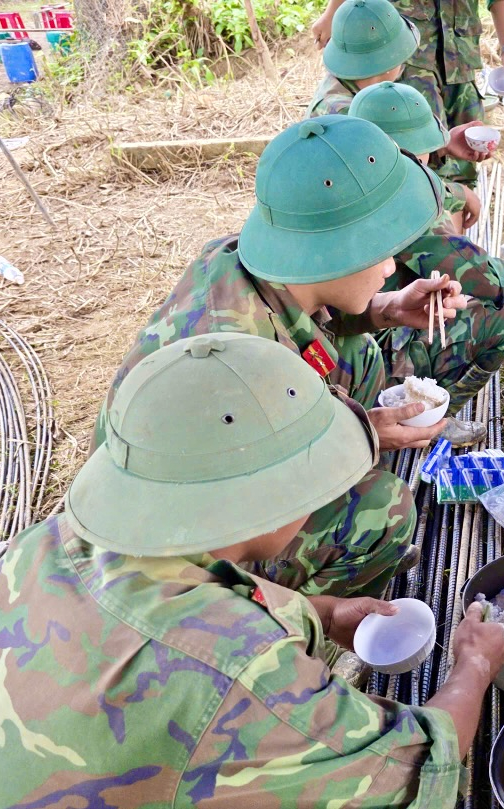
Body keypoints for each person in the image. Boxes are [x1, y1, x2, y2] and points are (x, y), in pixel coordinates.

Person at [0, 332, 504, 809]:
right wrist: (472, 665)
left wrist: (320, 613)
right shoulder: (228, 670)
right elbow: (414, 773)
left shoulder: (53, 542)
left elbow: (196, 595)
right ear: (264, 501)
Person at [99, 115, 466, 599]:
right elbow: (221, 509)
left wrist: (387, 308)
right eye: (375, 250)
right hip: (171, 551)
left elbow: (303, 317)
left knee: (358, 357)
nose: (390, 266)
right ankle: (305, 621)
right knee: (386, 509)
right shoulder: (238, 357)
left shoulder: (248, 262)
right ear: (329, 253)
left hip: (220, 458)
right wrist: (361, 436)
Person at [348, 82, 504, 413]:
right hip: (365, 358)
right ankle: (430, 414)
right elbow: (490, 284)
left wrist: (454, 184)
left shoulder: (347, 177)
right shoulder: (405, 207)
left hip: (329, 344)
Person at [306, 0, 487, 225]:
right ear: (394, 64)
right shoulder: (345, 115)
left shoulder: (351, 92)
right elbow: (396, 188)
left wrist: (443, 145)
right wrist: (457, 193)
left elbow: (393, 154)